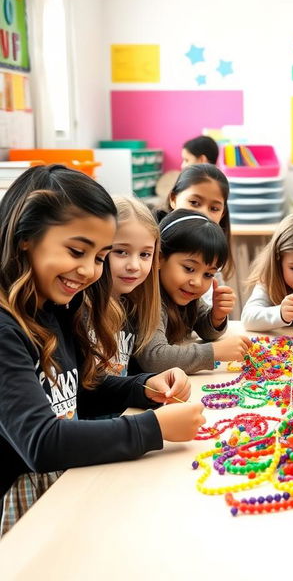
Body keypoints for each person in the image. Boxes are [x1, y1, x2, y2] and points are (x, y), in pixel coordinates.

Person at [0, 165, 204, 534]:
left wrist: (143, 387)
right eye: (77, 250)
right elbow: (41, 442)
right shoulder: (5, 328)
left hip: (67, 482)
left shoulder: (55, 307)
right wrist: (151, 428)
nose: (88, 270)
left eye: (98, 257)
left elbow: (81, 392)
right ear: (26, 236)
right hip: (24, 506)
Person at [136, 209, 250, 374]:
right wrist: (215, 352)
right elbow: (155, 359)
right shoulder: (148, 298)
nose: (197, 282)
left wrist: (216, 316)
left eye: (208, 274)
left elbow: (204, 329)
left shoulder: (184, 293)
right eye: (189, 268)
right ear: (159, 258)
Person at [157, 163, 235, 311]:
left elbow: (201, 315)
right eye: (194, 203)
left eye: (214, 208)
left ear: (222, 213)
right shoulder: (154, 249)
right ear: (173, 199)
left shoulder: (214, 250)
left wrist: (216, 317)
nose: (203, 213)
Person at [108, 196, 161, 376]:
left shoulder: (134, 306)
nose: (134, 266)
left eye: (145, 254)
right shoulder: (81, 312)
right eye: (121, 252)